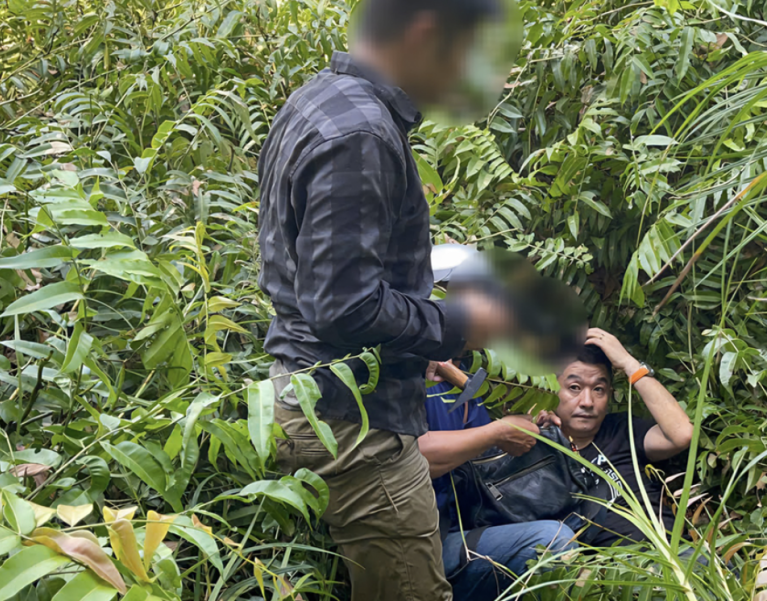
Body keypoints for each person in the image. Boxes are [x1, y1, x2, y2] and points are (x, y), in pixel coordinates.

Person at [257, 2, 512, 600]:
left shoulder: (317, 101)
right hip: (354, 423)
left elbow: (316, 282)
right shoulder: (363, 134)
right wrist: (458, 322)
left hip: (311, 394)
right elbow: (343, 306)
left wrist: (416, 347)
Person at [420, 364, 577, 601]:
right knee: (552, 541)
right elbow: (407, 458)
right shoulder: (407, 371)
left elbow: (477, 459)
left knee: (576, 518)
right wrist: (497, 432)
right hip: (425, 541)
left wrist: (528, 425)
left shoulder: (467, 370)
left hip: (469, 520)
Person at [539, 328, 694, 546]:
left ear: (609, 394)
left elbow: (682, 434)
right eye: (574, 387)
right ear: (550, 389)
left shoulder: (622, 429)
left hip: (674, 552)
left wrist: (629, 364)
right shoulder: (535, 448)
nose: (587, 402)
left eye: (598, 389)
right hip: (609, 565)